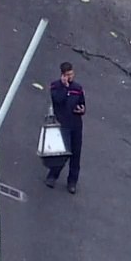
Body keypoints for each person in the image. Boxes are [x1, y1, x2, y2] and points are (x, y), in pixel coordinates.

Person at [47, 62, 85, 194]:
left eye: (71, 74)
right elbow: (57, 100)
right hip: (62, 124)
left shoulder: (78, 88)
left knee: (76, 154)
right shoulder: (55, 86)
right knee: (62, 153)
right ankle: (52, 176)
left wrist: (81, 109)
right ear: (62, 75)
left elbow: (82, 103)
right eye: (67, 75)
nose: (70, 77)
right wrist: (65, 88)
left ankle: (72, 181)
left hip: (76, 124)